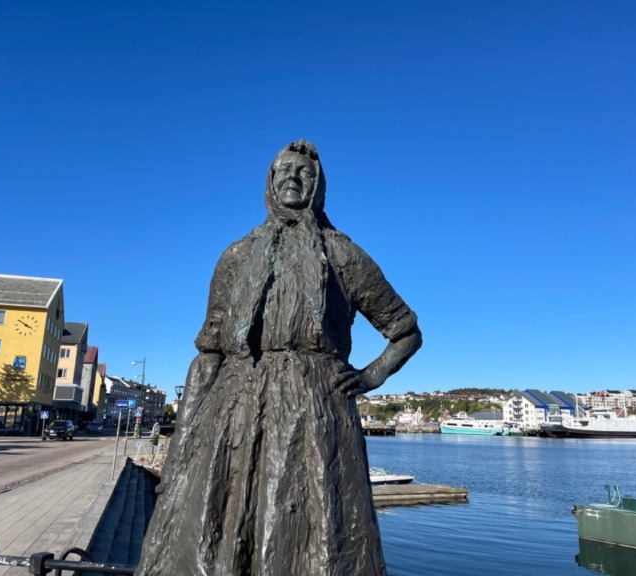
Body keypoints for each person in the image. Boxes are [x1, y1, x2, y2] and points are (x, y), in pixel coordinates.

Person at [135, 140, 422, 576]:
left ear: (318, 185)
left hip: (315, 411)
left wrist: (369, 377)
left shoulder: (342, 254)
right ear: (270, 182)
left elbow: (405, 332)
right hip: (235, 407)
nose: (293, 177)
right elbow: (209, 351)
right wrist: (183, 448)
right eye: (284, 170)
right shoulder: (237, 255)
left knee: (316, 536)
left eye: (304, 172)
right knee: (225, 526)